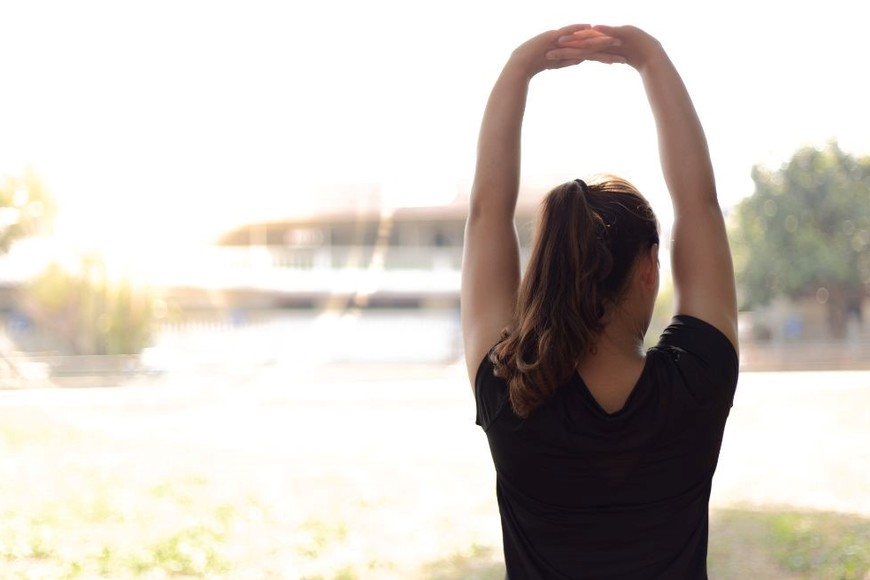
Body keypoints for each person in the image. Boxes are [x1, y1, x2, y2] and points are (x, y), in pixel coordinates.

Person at [460, 24, 739, 579]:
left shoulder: (511, 395)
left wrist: (519, 67)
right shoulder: (697, 383)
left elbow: (486, 215)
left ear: (546, 271)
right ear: (649, 266)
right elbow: (700, 206)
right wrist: (650, 58)